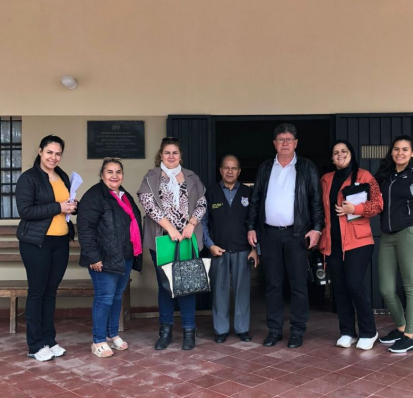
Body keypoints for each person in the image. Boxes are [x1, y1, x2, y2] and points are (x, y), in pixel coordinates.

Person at [246, 123, 324, 349]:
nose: (285, 143)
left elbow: (315, 202)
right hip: (269, 235)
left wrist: (317, 228)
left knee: (298, 284)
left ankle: (297, 330)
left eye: (290, 139)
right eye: (281, 140)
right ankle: (274, 329)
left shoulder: (307, 168)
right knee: (272, 284)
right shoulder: (265, 168)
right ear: (275, 144)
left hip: (297, 235)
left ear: (296, 143)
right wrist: (251, 227)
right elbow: (255, 200)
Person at [137, 137, 207, 351]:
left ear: (180, 155)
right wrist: (171, 229)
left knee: (187, 285)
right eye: (167, 153)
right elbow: (149, 205)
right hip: (163, 239)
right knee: (166, 287)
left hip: (187, 238)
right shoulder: (152, 177)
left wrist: (191, 225)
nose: (171, 156)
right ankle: (165, 331)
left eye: (175, 152)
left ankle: (188, 330)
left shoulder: (191, 177)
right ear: (161, 155)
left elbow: (202, 202)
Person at [16, 135, 77, 362]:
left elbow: (64, 206)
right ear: (40, 151)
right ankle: (35, 344)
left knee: (51, 292)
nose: (54, 157)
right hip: (36, 243)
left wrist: (71, 206)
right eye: (49, 152)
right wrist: (58, 207)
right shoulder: (29, 178)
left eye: (58, 153)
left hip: (59, 242)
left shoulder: (61, 176)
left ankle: (49, 340)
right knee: (37, 292)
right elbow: (26, 211)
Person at [375, 135, 413, 353]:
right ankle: (401, 328)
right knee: (386, 288)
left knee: (410, 285)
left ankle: (410, 337)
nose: (399, 153)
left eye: (404, 149)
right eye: (396, 149)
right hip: (387, 235)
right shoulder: (385, 176)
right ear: (391, 152)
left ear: (412, 153)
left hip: (411, 232)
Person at [319, 140, 382, 350]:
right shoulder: (326, 180)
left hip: (358, 241)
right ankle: (347, 331)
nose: (340, 155)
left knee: (354, 284)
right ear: (331, 157)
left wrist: (354, 208)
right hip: (333, 243)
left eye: (344, 151)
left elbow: (378, 204)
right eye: (336, 152)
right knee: (339, 288)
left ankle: (369, 331)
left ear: (351, 154)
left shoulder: (364, 176)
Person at [77, 158, 143, 358]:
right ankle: (98, 340)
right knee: (104, 299)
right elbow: (85, 229)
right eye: (110, 172)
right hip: (103, 259)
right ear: (102, 175)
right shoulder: (94, 196)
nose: (114, 176)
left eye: (118, 172)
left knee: (116, 298)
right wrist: (94, 257)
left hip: (123, 256)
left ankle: (112, 335)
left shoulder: (124, 195)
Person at [202, 155, 258, 343]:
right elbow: (203, 222)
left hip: (243, 249)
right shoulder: (211, 192)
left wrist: (254, 249)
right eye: (226, 168)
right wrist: (209, 244)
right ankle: (221, 329)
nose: (230, 171)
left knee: (242, 291)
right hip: (219, 250)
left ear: (239, 171)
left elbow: (255, 222)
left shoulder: (248, 192)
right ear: (220, 170)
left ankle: (242, 329)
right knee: (220, 291)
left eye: (233, 168)